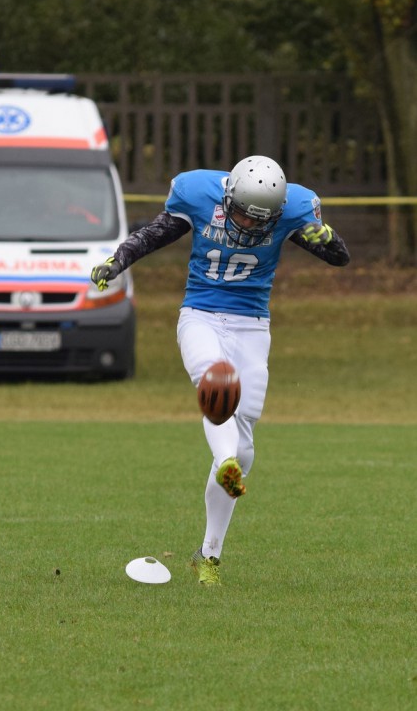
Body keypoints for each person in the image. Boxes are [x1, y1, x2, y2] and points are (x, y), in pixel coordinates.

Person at [91, 155, 350, 586]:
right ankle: (224, 457)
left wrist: (328, 238)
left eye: (258, 219)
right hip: (201, 314)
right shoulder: (199, 192)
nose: (248, 225)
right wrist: (118, 260)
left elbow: (339, 258)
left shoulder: (295, 208)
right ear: (227, 196)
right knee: (216, 383)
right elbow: (155, 235)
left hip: (252, 324)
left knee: (246, 445)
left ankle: (208, 554)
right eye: (242, 214)